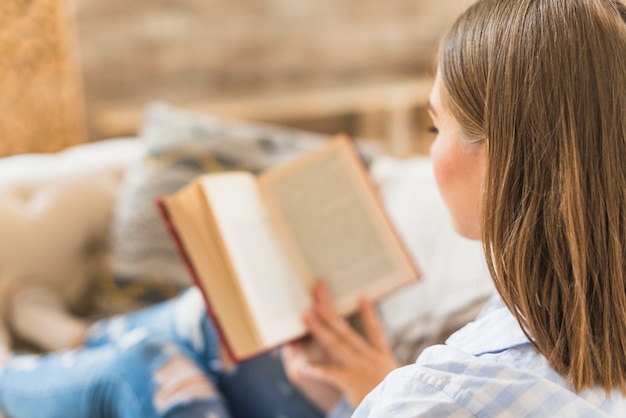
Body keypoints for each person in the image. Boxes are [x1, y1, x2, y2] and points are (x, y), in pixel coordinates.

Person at [2, 0, 626, 416]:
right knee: (217, 333)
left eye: (434, 128)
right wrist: (369, 385)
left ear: (504, 157)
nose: (429, 149)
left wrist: (392, 391)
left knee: (148, 370)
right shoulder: (554, 323)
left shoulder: (438, 394)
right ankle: (79, 334)